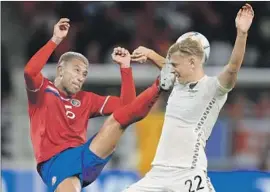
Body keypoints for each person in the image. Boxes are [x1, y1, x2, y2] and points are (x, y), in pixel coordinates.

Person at [24, 18, 175, 192]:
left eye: (85, 73)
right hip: (56, 161)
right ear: (60, 70)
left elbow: (129, 106)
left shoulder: (86, 99)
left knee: (118, 120)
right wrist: (55, 40)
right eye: (76, 70)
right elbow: (30, 71)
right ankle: (159, 85)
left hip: (87, 154)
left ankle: (160, 84)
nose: (81, 77)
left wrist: (125, 68)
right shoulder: (43, 90)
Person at [126, 4, 254, 192]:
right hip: (158, 173)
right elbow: (168, 65)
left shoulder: (213, 88)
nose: (171, 69)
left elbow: (233, 67)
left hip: (188, 174)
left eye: (175, 65)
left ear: (193, 62)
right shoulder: (178, 81)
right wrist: (151, 54)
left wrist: (242, 34)